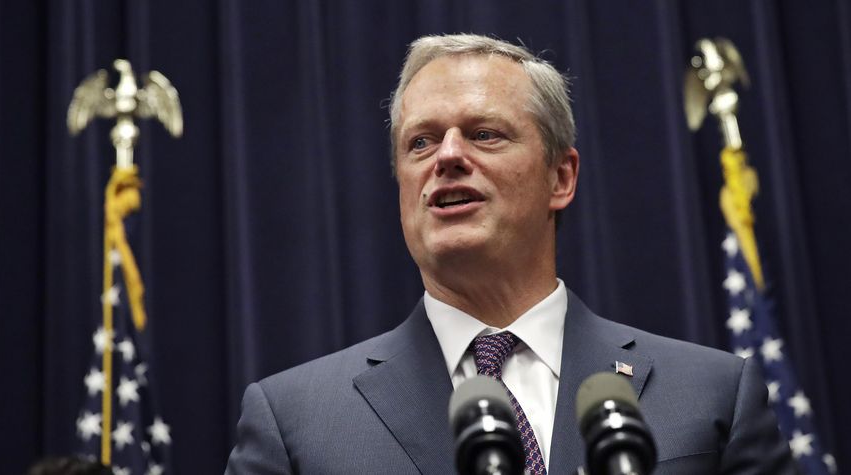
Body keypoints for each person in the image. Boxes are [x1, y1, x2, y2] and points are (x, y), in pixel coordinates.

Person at [225, 33, 794, 474]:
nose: (446, 156)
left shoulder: (712, 393)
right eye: (420, 141)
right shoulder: (294, 421)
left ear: (560, 177)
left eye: (484, 133)